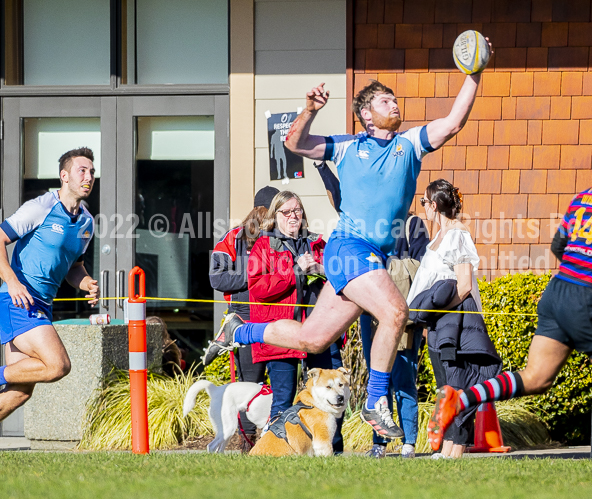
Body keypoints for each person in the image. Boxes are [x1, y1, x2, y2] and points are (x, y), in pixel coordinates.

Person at [204, 43, 493, 438]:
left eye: (394, 100)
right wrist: (310, 110)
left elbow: (455, 121)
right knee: (394, 312)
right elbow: (295, 143)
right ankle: (376, 401)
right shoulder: (348, 146)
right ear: (366, 116)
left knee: (313, 338)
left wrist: (473, 72)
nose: (395, 105)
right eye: (385, 101)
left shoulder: (410, 144)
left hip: (367, 256)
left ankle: (239, 330)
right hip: (349, 248)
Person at [428, 140, 592, 475]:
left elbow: (558, 245)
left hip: (557, 293)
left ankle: (461, 399)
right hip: (590, 297)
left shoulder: (583, 199)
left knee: (536, 377)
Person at [0, 147, 99, 436]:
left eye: (92, 172)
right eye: (82, 170)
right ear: (64, 176)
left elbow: (73, 268)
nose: (89, 176)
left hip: (41, 305)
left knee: (20, 393)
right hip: (16, 301)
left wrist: (86, 283)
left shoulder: (86, 223)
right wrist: (12, 281)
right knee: (58, 365)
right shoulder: (40, 207)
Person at [407, 179, 501, 459]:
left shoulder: (458, 235)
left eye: (424, 202)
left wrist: (436, 312)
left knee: (458, 383)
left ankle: (456, 450)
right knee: (446, 386)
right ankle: (445, 449)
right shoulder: (438, 237)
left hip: (456, 322)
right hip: (440, 324)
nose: (423, 207)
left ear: (434, 206)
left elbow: (463, 285)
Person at [246, 191, 344, 453]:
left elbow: (341, 278)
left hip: (322, 331)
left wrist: (321, 270)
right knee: (283, 400)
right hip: (283, 333)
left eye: (297, 210)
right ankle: (274, 454)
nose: (293, 216)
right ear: (274, 216)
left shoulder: (318, 244)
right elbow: (258, 288)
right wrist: (295, 272)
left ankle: (334, 453)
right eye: (286, 212)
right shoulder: (264, 246)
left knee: (334, 394)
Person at [205, 186, 278, 450]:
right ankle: (248, 446)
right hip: (246, 318)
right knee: (250, 385)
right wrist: (257, 276)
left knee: (275, 384)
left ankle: (274, 444)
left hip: (279, 316)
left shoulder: (289, 234)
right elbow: (217, 278)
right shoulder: (234, 236)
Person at [361, 211, 429, 459]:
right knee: (378, 380)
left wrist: (389, 267)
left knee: (404, 380)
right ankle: (379, 442)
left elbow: (423, 269)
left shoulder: (413, 225)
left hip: (403, 318)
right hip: (371, 315)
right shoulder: (368, 224)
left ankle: (408, 442)